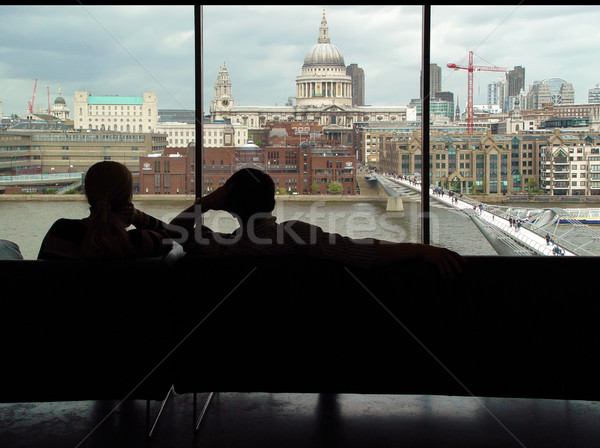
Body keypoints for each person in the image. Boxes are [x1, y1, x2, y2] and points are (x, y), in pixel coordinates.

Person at [174, 167, 465, 278]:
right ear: (272, 204)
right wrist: (421, 249)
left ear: (226, 205)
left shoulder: (218, 247)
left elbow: (176, 229)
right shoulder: (293, 235)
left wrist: (206, 203)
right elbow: (361, 250)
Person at [38, 161, 178, 260]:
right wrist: (139, 217)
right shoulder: (134, 243)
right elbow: (174, 235)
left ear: (88, 194)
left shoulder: (60, 231)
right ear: (128, 198)